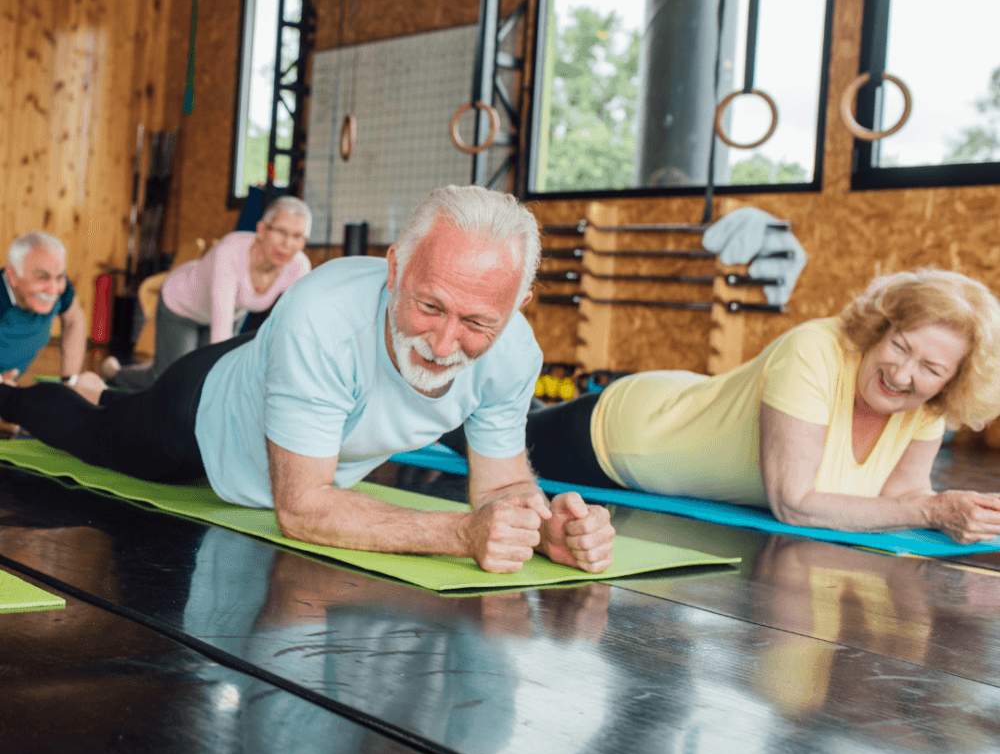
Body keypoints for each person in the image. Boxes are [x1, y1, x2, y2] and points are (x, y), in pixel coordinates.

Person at [0, 185, 615, 574]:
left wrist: (542, 528)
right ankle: (13, 396)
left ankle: (106, 387)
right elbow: (301, 508)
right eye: (429, 307)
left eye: (478, 321)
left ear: (519, 305)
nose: (445, 345)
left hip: (282, 367)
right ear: (395, 267)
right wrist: (459, 533)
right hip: (202, 410)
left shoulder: (515, 353)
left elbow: (502, 483)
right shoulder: (323, 312)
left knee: (115, 403)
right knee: (96, 432)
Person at [522, 268, 1000, 545]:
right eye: (899, 345)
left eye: (931, 369)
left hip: (687, 404)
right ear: (880, 329)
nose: (902, 374)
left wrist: (959, 511)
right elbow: (795, 503)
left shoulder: (928, 408)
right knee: (479, 432)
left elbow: (906, 502)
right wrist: (933, 512)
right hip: (628, 435)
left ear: (952, 381)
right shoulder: (814, 349)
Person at [102, 196, 313, 390]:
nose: (288, 243)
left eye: (297, 236)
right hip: (182, 304)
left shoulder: (299, 266)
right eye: (281, 232)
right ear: (261, 229)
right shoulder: (230, 251)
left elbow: (297, 323)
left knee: (201, 376)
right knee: (173, 379)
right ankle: (114, 373)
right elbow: (220, 331)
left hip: (231, 314)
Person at [0, 231, 86, 387]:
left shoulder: (61, 288)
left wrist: (70, 382)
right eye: (41, 276)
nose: (54, 290)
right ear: (12, 276)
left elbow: (74, 319)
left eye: (60, 277)